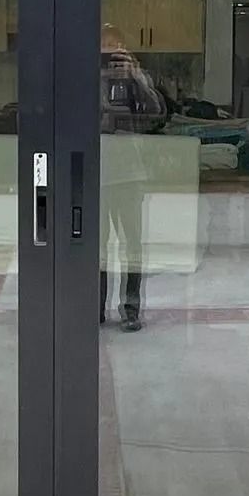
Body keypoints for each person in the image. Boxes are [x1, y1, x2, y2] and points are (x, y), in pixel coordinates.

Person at [101, 22, 166, 331]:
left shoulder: (135, 78)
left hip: (129, 173)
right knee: (96, 247)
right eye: (104, 48)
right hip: (97, 173)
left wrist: (137, 76)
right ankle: (94, 307)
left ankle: (131, 309)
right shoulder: (90, 77)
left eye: (117, 50)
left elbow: (157, 114)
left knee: (133, 246)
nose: (112, 57)